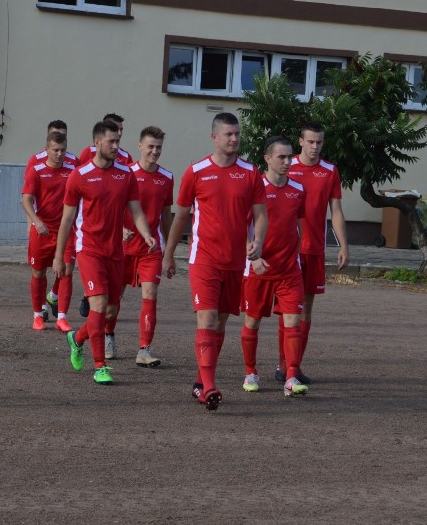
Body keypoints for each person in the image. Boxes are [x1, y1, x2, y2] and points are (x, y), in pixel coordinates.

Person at [162, 112, 267, 411]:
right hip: (203, 259)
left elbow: (261, 215)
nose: (234, 139)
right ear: (214, 137)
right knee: (206, 319)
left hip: (235, 263)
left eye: (237, 134)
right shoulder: (196, 171)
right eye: (228, 134)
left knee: (220, 324)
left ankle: (200, 380)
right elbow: (180, 215)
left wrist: (258, 241)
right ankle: (208, 387)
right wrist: (169, 255)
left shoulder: (250, 173)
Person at [54, 120, 155, 386]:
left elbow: (135, 210)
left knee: (109, 311)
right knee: (98, 306)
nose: (115, 146)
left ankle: (76, 339)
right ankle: (100, 366)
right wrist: (59, 257)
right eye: (111, 141)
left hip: (115, 251)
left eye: (118, 141)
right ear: (97, 142)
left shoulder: (125, 174)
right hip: (89, 249)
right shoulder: (80, 175)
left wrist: (146, 233)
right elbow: (66, 220)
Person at [277, 121, 349, 384]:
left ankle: (295, 366)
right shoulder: (286, 166)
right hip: (287, 251)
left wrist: (343, 244)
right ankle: (282, 365)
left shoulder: (330, 171)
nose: (315, 146)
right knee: (286, 309)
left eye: (319, 142)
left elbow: (336, 211)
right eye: (310, 141)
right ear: (300, 141)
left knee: (305, 309)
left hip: (314, 250)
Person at [239, 136, 308, 397]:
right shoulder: (254, 189)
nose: (287, 161)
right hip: (259, 269)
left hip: (289, 271)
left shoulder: (298, 190)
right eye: (281, 157)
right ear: (267, 159)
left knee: (293, 322)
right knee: (253, 321)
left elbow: (296, 226)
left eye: (290, 156)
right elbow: (241, 227)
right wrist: (253, 257)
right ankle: (250, 371)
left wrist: (298, 256)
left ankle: (290, 376)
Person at [104, 126, 173, 367]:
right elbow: (110, 208)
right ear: (139, 146)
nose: (155, 152)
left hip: (150, 250)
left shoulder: (167, 177)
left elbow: (166, 217)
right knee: (113, 301)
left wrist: (170, 253)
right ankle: (108, 335)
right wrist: (118, 229)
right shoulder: (125, 173)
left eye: (159, 148)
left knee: (150, 295)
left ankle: (144, 350)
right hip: (121, 249)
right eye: (150, 146)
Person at [77, 113, 132, 321]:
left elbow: (124, 198)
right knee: (98, 300)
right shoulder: (87, 155)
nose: (118, 135)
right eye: (114, 130)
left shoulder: (125, 159)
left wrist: (123, 227)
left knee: (109, 303)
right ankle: (89, 297)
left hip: (114, 236)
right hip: (90, 232)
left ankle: (108, 314)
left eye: (120, 132)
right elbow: (81, 187)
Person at [21, 131, 75, 332]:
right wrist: (36, 221)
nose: (59, 154)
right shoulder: (36, 170)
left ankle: (62, 317)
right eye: (55, 150)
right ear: (47, 150)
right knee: (38, 272)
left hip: (66, 230)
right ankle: (37, 315)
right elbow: (26, 200)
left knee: (67, 269)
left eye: (62, 150)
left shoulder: (72, 171)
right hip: (42, 230)